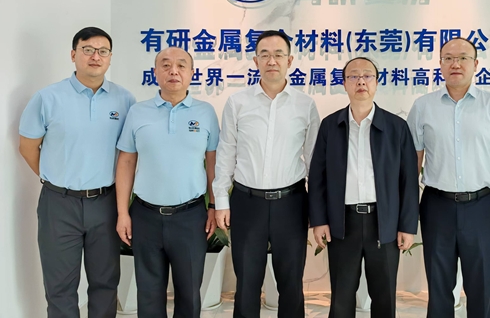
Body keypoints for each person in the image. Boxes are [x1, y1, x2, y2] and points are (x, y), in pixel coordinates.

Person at [18, 26, 136, 318]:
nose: (96, 57)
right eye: (88, 50)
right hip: (58, 204)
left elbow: (129, 155)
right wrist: (56, 177)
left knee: (105, 282)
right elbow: (28, 147)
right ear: (73, 55)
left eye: (103, 51)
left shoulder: (124, 100)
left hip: (105, 203)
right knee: (60, 287)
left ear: (110, 58)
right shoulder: (48, 98)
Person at [407, 37, 490, 318]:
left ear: (476, 64)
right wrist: (407, 211)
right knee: (438, 285)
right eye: (448, 58)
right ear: (440, 64)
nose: (455, 64)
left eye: (462, 58)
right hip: (437, 205)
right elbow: (413, 161)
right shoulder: (423, 106)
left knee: (481, 285)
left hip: (481, 206)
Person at [213, 30, 320, 318]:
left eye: (278, 55)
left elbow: (314, 160)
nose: (272, 61)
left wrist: (316, 208)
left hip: (291, 202)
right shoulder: (238, 102)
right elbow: (226, 153)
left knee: (291, 282)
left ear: (290, 61)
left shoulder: (305, 105)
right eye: (265, 55)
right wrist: (221, 200)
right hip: (247, 202)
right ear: (255, 60)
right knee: (247, 282)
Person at [309, 57, 419, 318]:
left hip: (383, 223)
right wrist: (319, 221)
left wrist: (407, 225)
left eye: (367, 75)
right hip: (342, 223)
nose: (361, 81)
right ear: (344, 84)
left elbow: (409, 181)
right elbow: (317, 177)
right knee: (341, 297)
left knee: (384, 296)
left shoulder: (396, 127)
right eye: (353, 76)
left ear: (376, 83)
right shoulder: (330, 125)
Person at [115, 47, 220, 318]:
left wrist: (213, 206)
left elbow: (213, 164)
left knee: (189, 294)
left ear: (192, 73)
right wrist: (123, 213)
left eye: (181, 65)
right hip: (145, 216)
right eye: (165, 65)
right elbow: (126, 163)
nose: (173, 71)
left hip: (190, 217)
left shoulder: (206, 112)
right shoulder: (138, 112)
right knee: (148, 293)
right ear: (155, 72)